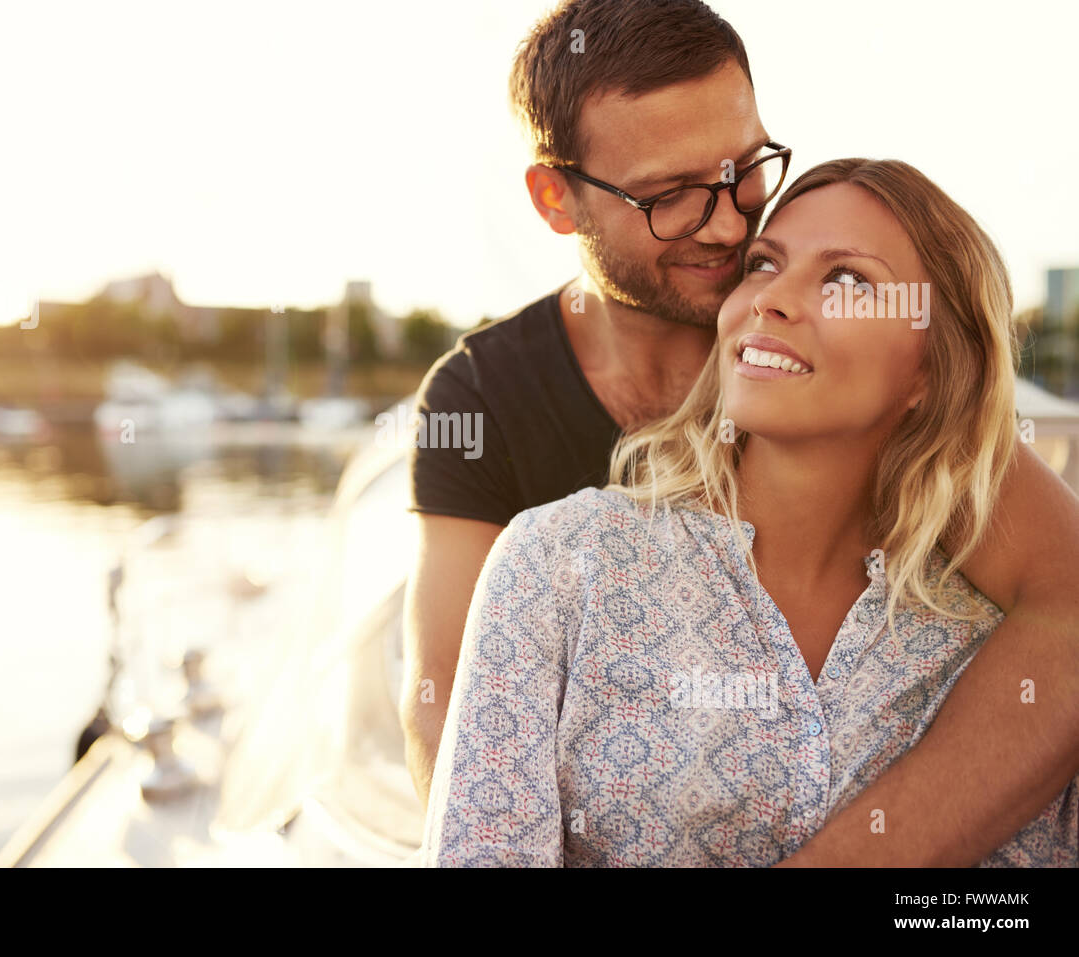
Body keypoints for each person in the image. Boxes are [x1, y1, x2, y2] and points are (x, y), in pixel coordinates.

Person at [402, 0, 1079, 865]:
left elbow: (1064, 599)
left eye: (743, 169)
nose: (729, 224)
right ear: (556, 198)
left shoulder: (851, 336)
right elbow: (450, 707)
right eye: (670, 195)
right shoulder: (491, 410)